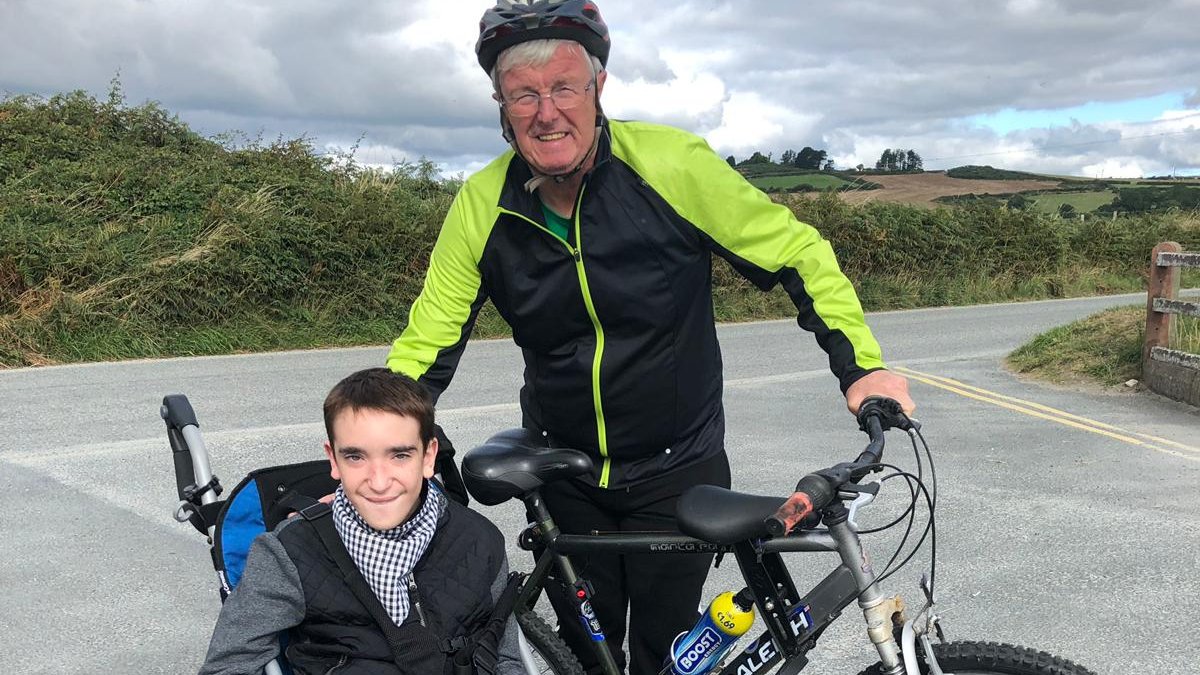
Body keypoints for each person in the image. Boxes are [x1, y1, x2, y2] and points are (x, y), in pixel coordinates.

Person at [386, 1, 915, 672]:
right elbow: (426, 341)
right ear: (501, 105)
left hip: (677, 468)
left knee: (668, 657)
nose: (546, 112)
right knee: (586, 657)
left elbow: (798, 254)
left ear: (598, 87)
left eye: (564, 87)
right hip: (566, 471)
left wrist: (860, 367)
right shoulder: (482, 204)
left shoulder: (670, 164)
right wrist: (380, 440)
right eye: (524, 94)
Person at [199, 368, 522, 675]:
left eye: (400, 455)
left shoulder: (480, 540)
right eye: (355, 457)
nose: (378, 482)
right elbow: (228, 665)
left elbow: (504, 657)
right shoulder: (289, 554)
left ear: (428, 457)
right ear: (333, 459)